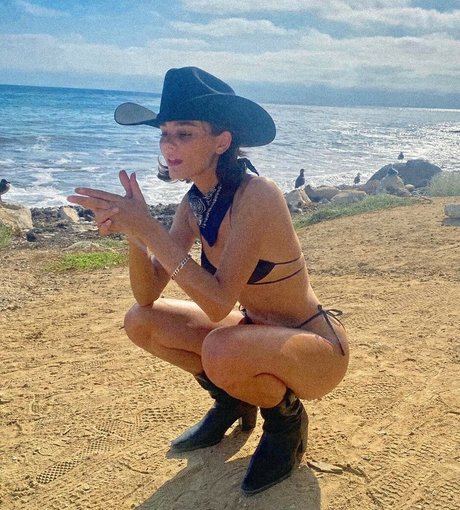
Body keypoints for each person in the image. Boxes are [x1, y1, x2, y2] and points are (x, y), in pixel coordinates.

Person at [68, 66, 349, 496]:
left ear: (222, 141)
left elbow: (218, 304)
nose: (168, 145)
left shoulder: (258, 194)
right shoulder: (194, 204)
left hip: (313, 348)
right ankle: (233, 399)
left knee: (219, 347)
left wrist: (151, 229)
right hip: (252, 335)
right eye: (164, 134)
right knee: (140, 320)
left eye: (184, 133)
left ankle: (285, 421)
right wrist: (135, 234)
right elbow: (147, 294)